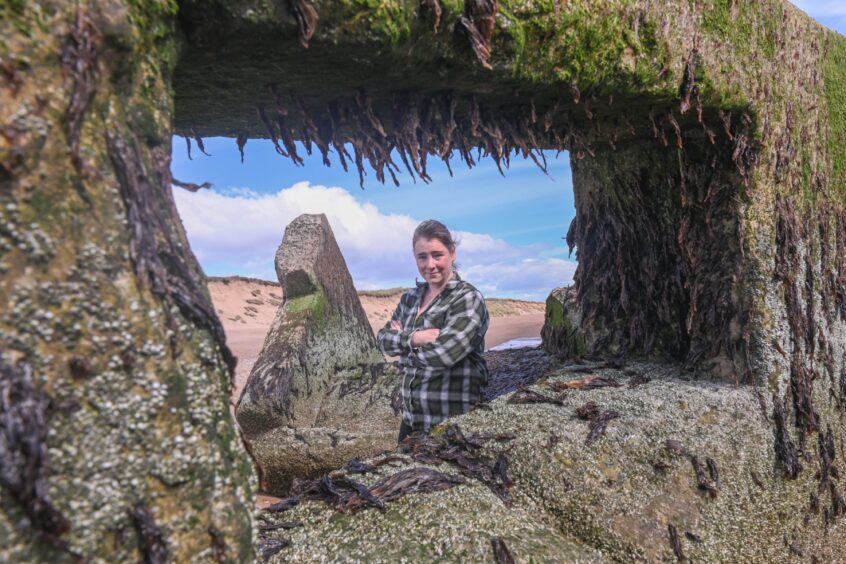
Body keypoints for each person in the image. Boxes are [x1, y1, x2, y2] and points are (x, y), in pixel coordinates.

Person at [377, 219, 489, 443]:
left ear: (452, 253)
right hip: (411, 419)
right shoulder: (409, 298)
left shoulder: (466, 298)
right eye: (422, 257)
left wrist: (401, 350)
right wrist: (416, 338)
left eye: (437, 255)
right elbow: (382, 339)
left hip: (450, 421)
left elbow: (443, 355)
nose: (430, 264)